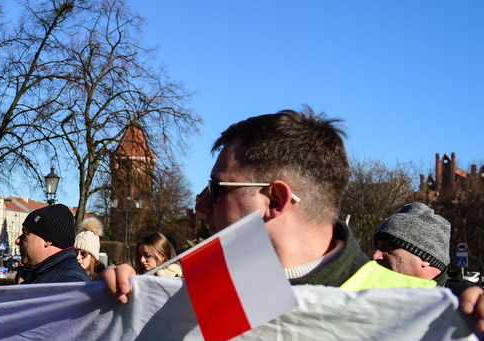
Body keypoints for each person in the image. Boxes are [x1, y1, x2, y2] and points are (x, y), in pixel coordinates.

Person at [104, 108, 436, 304]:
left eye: (217, 189)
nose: (202, 204)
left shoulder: (422, 312)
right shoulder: (208, 290)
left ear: (275, 200)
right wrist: (122, 300)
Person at [369, 202, 449, 287]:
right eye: (377, 246)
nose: (375, 255)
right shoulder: (373, 296)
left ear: (426, 259)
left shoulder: (457, 299)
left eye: (389, 246)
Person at [16, 203, 89, 284]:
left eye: (26, 234)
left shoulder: (68, 283)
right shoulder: (53, 277)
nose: (17, 241)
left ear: (48, 240)